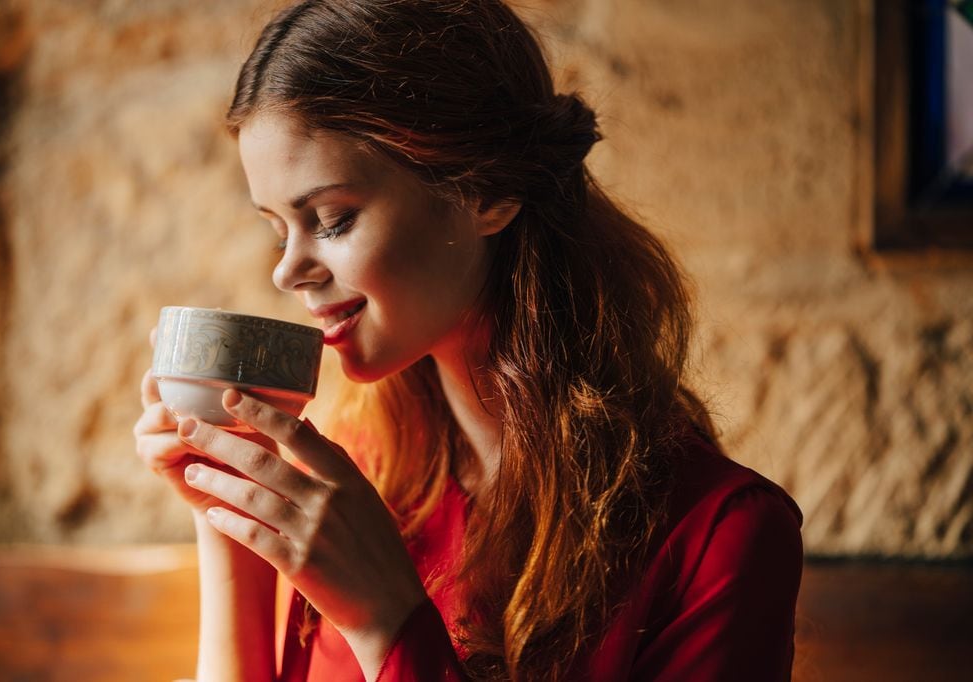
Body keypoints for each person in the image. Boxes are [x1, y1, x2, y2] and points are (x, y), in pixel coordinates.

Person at [133, 1, 803, 680]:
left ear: (488, 190)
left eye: (332, 220)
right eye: (279, 229)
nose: (287, 270)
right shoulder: (367, 481)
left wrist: (388, 622)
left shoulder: (720, 538)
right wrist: (228, 520)